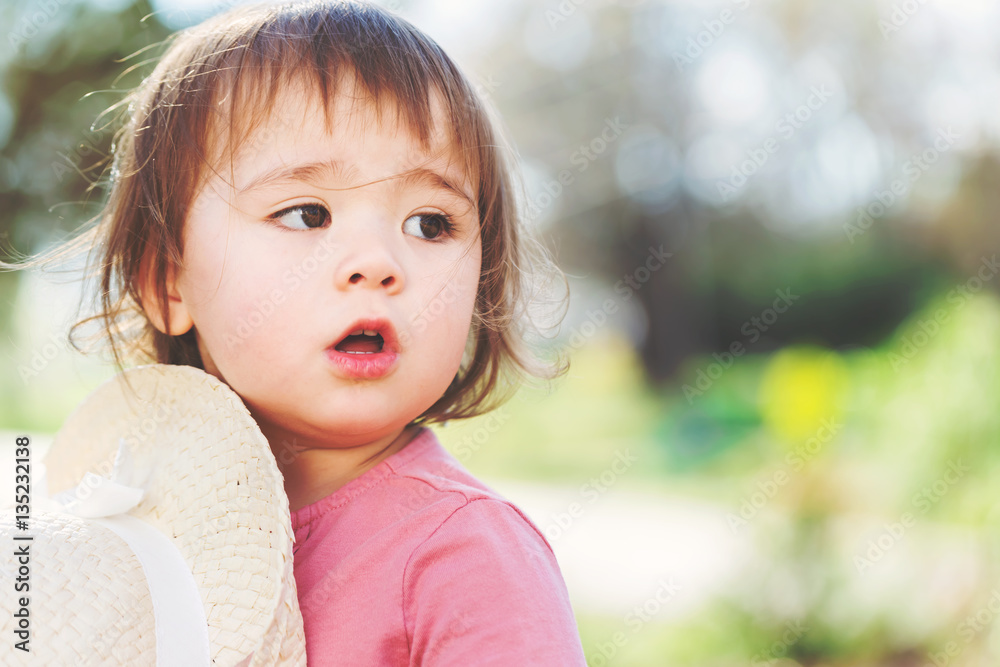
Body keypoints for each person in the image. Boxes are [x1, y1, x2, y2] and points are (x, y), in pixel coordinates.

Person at [10, 1, 586, 664]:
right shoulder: (152, 532)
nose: (376, 262)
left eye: (431, 223)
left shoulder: (468, 558)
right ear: (169, 284)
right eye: (308, 213)